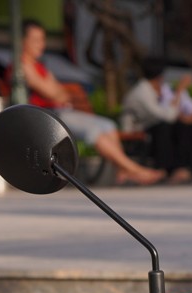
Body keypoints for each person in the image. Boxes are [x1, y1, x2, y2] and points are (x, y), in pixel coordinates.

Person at [16, 19, 164, 186]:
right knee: (94, 130)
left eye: (42, 40)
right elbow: (51, 92)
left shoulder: (39, 66)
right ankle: (135, 170)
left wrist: (56, 93)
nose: (41, 44)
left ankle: (124, 169)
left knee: (108, 125)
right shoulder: (22, 66)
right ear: (22, 41)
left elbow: (60, 92)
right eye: (36, 40)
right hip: (48, 117)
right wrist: (56, 93)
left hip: (61, 112)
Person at [121, 57, 192, 184]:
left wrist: (187, 118)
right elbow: (166, 116)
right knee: (165, 127)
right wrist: (179, 91)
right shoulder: (142, 92)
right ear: (159, 77)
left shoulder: (160, 89)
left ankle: (186, 169)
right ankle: (165, 170)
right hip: (139, 129)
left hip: (154, 125)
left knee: (191, 126)